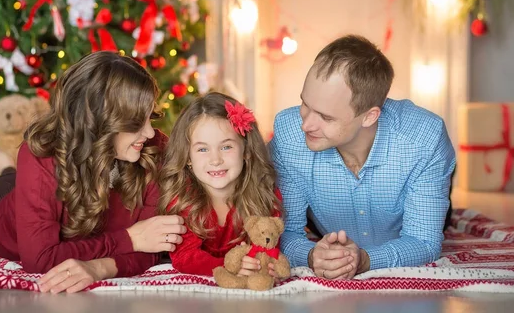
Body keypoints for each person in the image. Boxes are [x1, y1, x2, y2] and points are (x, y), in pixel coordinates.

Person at [0, 52, 186, 293]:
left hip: (32, 191)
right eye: (135, 123)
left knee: (9, 176)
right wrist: (130, 239)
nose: (150, 132)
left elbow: (154, 244)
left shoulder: (152, 150)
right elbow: (40, 259)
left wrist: (99, 267)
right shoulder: (41, 157)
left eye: (149, 117)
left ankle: (2, 166)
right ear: (98, 122)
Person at [269, 35, 456, 280]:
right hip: (325, 224)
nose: (306, 124)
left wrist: (365, 260)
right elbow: (285, 232)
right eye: (305, 103)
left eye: (326, 117)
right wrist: (312, 254)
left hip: (407, 211)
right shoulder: (288, 132)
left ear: (369, 116)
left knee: (437, 214)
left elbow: (424, 242)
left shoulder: (424, 137)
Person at [158, 92, 284, 278]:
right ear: (188, 158)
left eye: (226, 147)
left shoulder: (264, 195)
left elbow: (267, 247)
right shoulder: (182, 200)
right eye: (202, 149)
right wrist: (230, 267)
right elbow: (185, 257)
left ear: (246, 151)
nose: (215, 160)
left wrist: (262, 264)